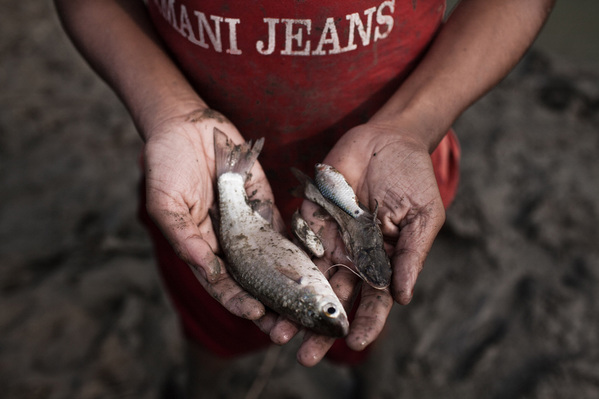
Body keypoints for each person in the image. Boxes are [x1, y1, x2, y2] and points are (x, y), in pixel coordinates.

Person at [54, 0, 554, 392]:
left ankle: (366, 381)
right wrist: (167, 110)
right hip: (198, 186)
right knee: (209, 313)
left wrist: (411, 127)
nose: (324, 303)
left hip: (389, 169)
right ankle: (204, 384)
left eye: (323, 306)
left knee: (368, 311)